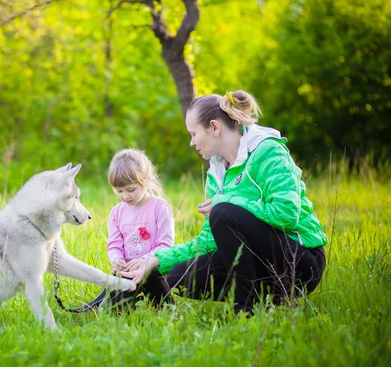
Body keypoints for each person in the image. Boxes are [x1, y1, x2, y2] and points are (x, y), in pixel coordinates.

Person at [121, 90, 327, 314]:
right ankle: (270, 302)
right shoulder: (217, 172)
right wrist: (155, 259)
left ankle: (245, 310)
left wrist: (226, 201)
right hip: (262, 263)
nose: (191, 142)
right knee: (181, 276)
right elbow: (208, 241)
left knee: (223, 211)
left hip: (301, 261)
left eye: (193, 134)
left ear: (214, 127)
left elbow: (286, 213)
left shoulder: (268, 151)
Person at [105, 148, 175, 308]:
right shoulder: (117, 213)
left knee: (162, 306)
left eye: (131, 189)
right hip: (128, 272)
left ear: (146, 179)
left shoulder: (159, 207)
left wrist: (144, 261)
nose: (125, 196)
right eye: (119, 191)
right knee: (115, 308)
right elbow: (114, 245)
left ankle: (164, 307)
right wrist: (116, 259)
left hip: (154, 269)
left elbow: (165, 245)